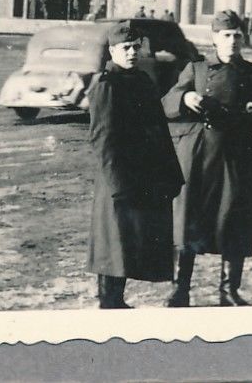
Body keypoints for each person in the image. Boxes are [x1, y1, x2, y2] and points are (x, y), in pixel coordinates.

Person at [161, 9, 252, 307]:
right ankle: (180, 290)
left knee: (234, 218)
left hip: (236, 157)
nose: (232, 41)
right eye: (226, 35)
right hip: (199, 157)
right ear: (214, 38)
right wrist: (185, 98)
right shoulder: (196, 69)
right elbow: (166, 104)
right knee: (188, 220)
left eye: (237, 35)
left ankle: (228, 291)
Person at [86, 21, 184, 309]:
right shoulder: (106, 86)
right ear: (113, 50)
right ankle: (109, 301)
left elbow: (159, 131)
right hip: (119, 180)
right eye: (125, 48)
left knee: (130, 244)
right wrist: (118, 186)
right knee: (113, 245)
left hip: (144, 177)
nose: (132, 53)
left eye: (136, 47)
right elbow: (103, 140)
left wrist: (171, 174)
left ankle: (116, 300)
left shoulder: (142, 80)